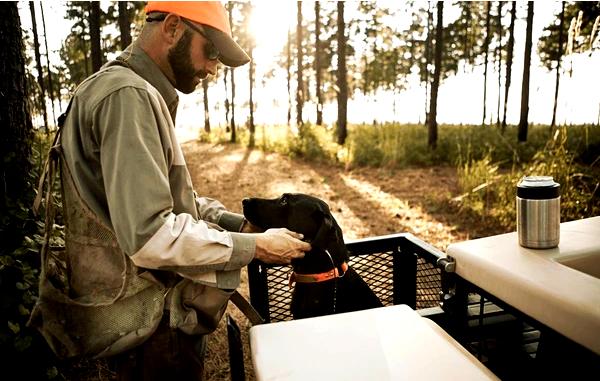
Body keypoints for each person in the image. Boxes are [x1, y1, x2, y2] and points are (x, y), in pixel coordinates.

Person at [32, 2, 311, 380]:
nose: (213, 68)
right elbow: (151, 235)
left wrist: (238, 225)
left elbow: (170, 203)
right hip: (148, 334)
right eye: (211, 51)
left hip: (144, 327)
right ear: (173, 28)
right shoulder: (127, 97)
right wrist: (256, 247)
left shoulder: (125, 89)